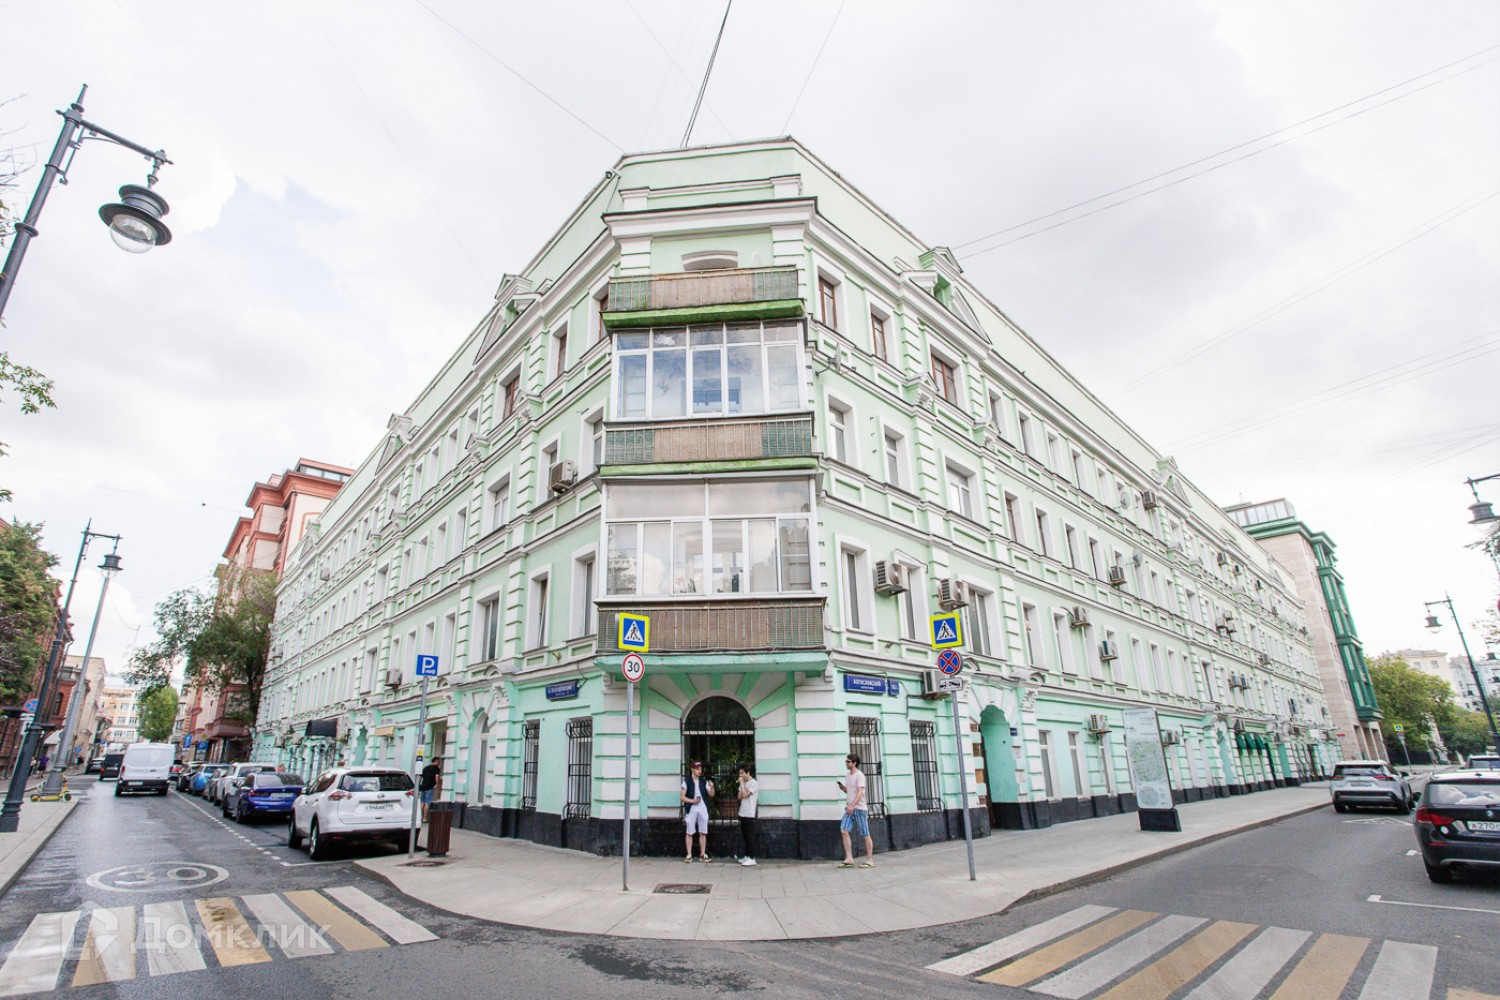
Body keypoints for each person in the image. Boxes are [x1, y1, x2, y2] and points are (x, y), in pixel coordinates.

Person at [837, 753, 874, 868]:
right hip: (850, 809)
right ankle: (849, 858)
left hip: (859, 809)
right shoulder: (848, 776)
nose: (846, 763)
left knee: (865, 834)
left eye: (848, 761)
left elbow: (860, 792)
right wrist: (843, 789)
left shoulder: (860, 775)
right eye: (846, 761)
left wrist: (852, 805)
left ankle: (870, 860)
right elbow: (850, 791)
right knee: (844, 830)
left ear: (854, 763)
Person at [680, 760, 714, 862]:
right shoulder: (687, 781)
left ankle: (702, 854)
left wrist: (712, 787)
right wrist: (692, 801)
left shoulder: (703, 781)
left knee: (703, 832)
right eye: (697, 769)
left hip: (702, 807)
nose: (699, 771)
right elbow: (682, 797)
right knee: (689, 831)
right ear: (692, 769)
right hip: (691, 807)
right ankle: (689, 855)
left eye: (700, 769)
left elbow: (711, 794)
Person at [736, 763, 759, 866]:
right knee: (745, 835)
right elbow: (739, 797)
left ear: (748, 773)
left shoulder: (754, 783)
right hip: (742, 812)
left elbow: (745, 795)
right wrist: (742, 784)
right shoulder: (744, 783)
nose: (740, 775)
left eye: (742, 773)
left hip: (749, 813)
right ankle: (747, 855)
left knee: (750, 836)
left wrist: (742, 784)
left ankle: (752, 858)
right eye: (740, 773)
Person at [419, 755, 443, 822]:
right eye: (439, 762)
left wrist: (419, 785)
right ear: (436, 761)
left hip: (423, 787)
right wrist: (436, 784)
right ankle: (424, 818)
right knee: (427, 803)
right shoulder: (436, 768)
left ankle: (419, 817)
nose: (439, 764)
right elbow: (436, 776)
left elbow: (420, 777)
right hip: (430, 787)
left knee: (422, 802)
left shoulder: (425, 768)